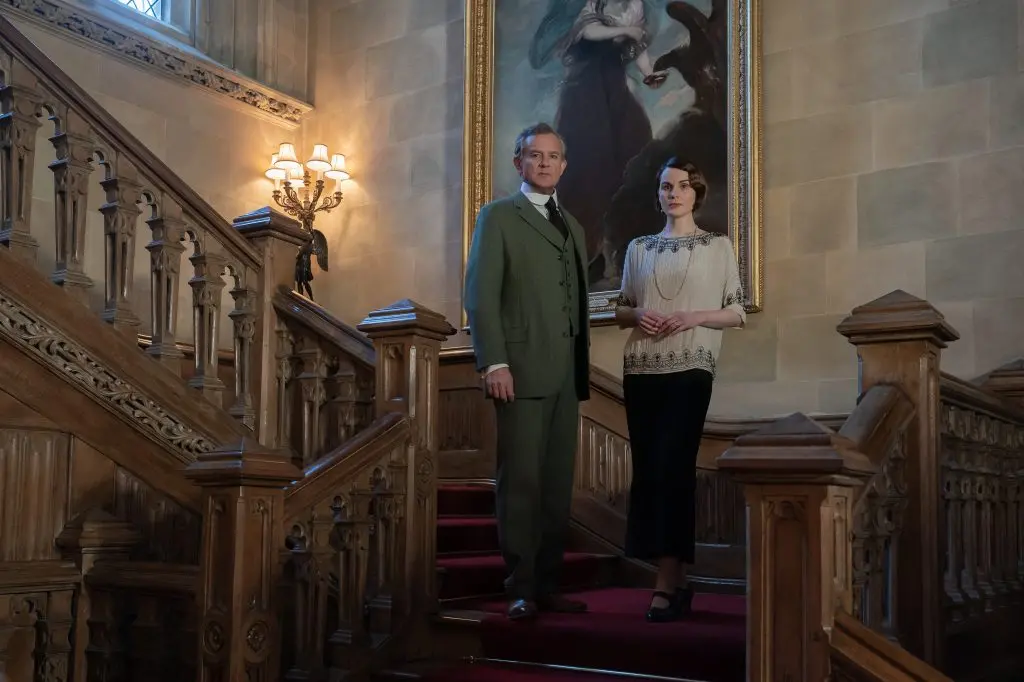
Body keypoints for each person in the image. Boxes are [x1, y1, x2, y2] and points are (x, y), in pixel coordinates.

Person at [464, 122, 592, 621]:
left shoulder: (575, 227)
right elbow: (481, 294)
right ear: (518, 162)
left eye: (553, 156)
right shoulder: (498, 216)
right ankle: (520, 587)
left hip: (566, 374)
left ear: (564, 164)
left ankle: (548, 583)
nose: (544, 163)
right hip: (517, 369)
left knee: (557, 485)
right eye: (534, 155)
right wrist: (494, 360)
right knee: (521, 483)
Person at [613, 158, 744, 622]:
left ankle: (665, 582)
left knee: (674, 469)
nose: (673, 193)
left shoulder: (717, 246)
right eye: (666, 186)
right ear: (659, 194)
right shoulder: (639, 248)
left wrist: (693, 317)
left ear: (697, 193)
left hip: (691, 367)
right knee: (651, 472)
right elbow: (623, 308)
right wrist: (638, 315)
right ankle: (678, 580)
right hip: (641, 368)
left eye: (683, 186)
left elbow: (735, 312)